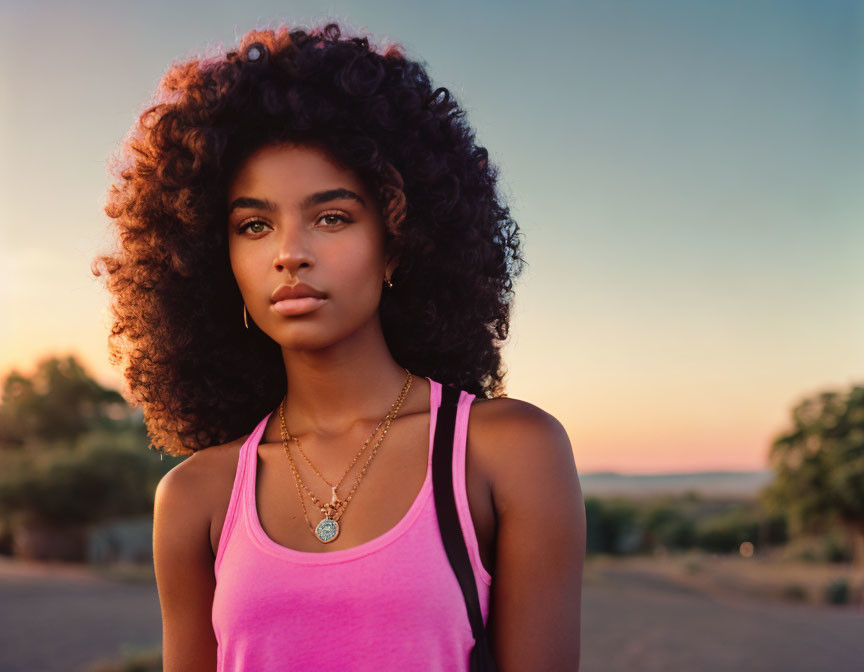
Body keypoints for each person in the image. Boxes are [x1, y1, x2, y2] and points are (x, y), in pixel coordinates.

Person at [92, 21, 585, 672]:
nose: (289, 254)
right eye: (254, 225)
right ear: (218, 260)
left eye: (332, 217)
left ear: (398, 241)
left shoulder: (507, 452)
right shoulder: (195, 498)